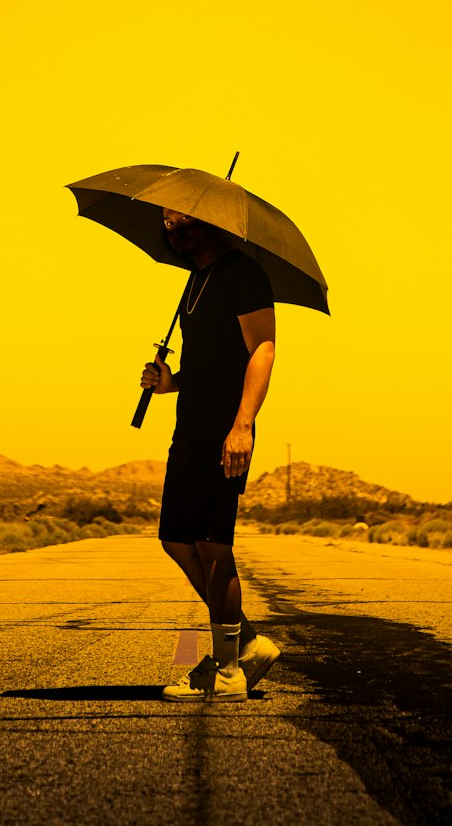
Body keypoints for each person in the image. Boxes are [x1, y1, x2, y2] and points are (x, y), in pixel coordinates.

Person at [140, 208, 281, 701]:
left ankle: (226, 673)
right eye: (167, 223)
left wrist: (242, 425)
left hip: (225, 428)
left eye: (183, 221)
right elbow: (205, 363)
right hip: (190, 427)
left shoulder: (242, 272)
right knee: (177, 538)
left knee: (213, 543)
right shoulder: (194, 281)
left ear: (211, 222)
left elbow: (263, 348)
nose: (173, 230)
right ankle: (245, 643)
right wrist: (168, 383)